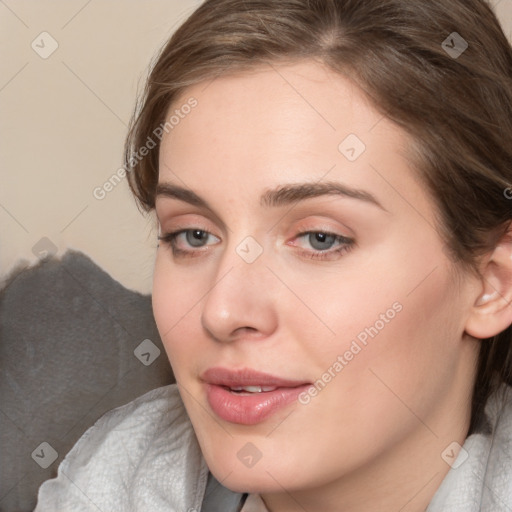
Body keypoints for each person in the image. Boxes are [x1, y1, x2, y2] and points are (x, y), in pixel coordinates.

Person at [35, 0, 512, 510]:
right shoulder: (110, 484)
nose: (221, 312)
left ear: (492, 282)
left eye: (319, 239)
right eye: (193, 235)